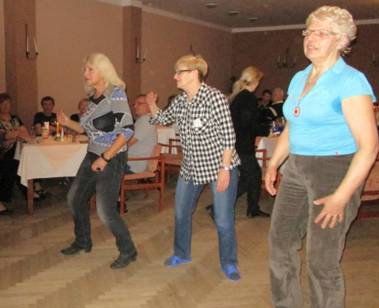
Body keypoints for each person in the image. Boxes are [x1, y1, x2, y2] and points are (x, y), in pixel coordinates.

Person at [259, 6, 379, 308]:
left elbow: (368, 147)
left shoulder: (351, 82)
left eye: (322, 32)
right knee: (280, 240)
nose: (311, 38)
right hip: (296, 167)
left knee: (322, 258)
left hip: (334, 171)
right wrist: (274, 164)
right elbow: (292, 125)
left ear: (341, 41)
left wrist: (342, 196)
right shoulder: (300, 78)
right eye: (308, 31)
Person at [146, 54, 241, 280]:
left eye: (179, 72)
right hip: (190, 168)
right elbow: (162, 118)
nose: (175, 76)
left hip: (219, 166)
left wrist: (225, 170)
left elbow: (229, 137)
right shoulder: (180, 101)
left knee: (223, 219)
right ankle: (182, 253)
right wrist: (151, 104)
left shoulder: (214, 98)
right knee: (181, 212)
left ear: (194, 73)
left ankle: (229, 263)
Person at [57, 53, 137, 269]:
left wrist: (105, 157)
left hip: (111, 158)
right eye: (85, 70)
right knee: (74, 199)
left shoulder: (116, 95)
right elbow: (86, 129)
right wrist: (67, 123)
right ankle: (82, 241)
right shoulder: (94, 97)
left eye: (90, 69)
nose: (85, 74)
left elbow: (127, 131)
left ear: (103, 71)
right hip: (92, 155)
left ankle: (128, 250)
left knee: (105, 210)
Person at [210, 66, 270, 218]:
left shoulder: (237, 96)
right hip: (242, 145)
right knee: (254, 175)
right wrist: (265, 130)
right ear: (255, 81)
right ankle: (251, 209)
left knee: (246, 177)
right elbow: (248, 124)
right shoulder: (248, 98)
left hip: (235, 143)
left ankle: (219, 205)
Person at [0, 93, 32, 214]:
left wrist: (14, 135)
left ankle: (28, 192)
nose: (5, 106)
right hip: (3, 152)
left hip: (18, 150)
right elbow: (4, 136)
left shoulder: (15, 119)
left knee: (24, 160)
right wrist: (17, 134)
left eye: (7, 104)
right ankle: (24, 193)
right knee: (13, 163)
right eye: (3, 104)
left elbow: (25, 133)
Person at [126, 94, 157, 174]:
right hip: (132, 161)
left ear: (149, 106)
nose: (135, 106)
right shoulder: (143, 119)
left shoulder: (146, 121)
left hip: (133, 164)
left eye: (139, 103)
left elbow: (129, 142)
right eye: (134, 104)